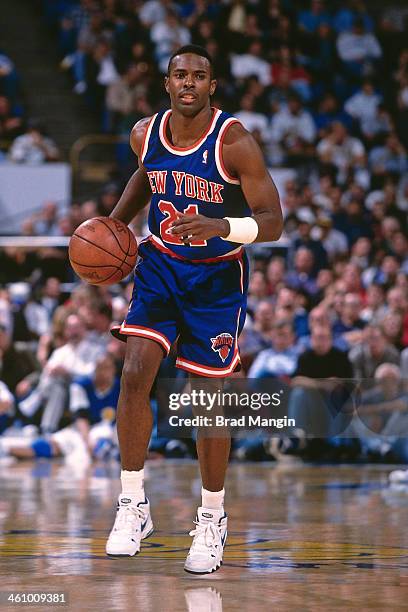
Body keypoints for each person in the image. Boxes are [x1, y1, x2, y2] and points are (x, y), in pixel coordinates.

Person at [106, 45, 282, 573]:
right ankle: (133, 503)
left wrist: (221, 226)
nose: (188, 83)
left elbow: (272, 221)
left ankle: (211, 517)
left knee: (205, 396)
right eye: (180, 74)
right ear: (167, 83)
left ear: (212, 86)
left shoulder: (235, 142)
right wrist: (115, 225)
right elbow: (146, 174)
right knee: (135, 370)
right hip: (160, 265)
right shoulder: (145, 133)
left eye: (199, 76)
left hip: (216, 278)